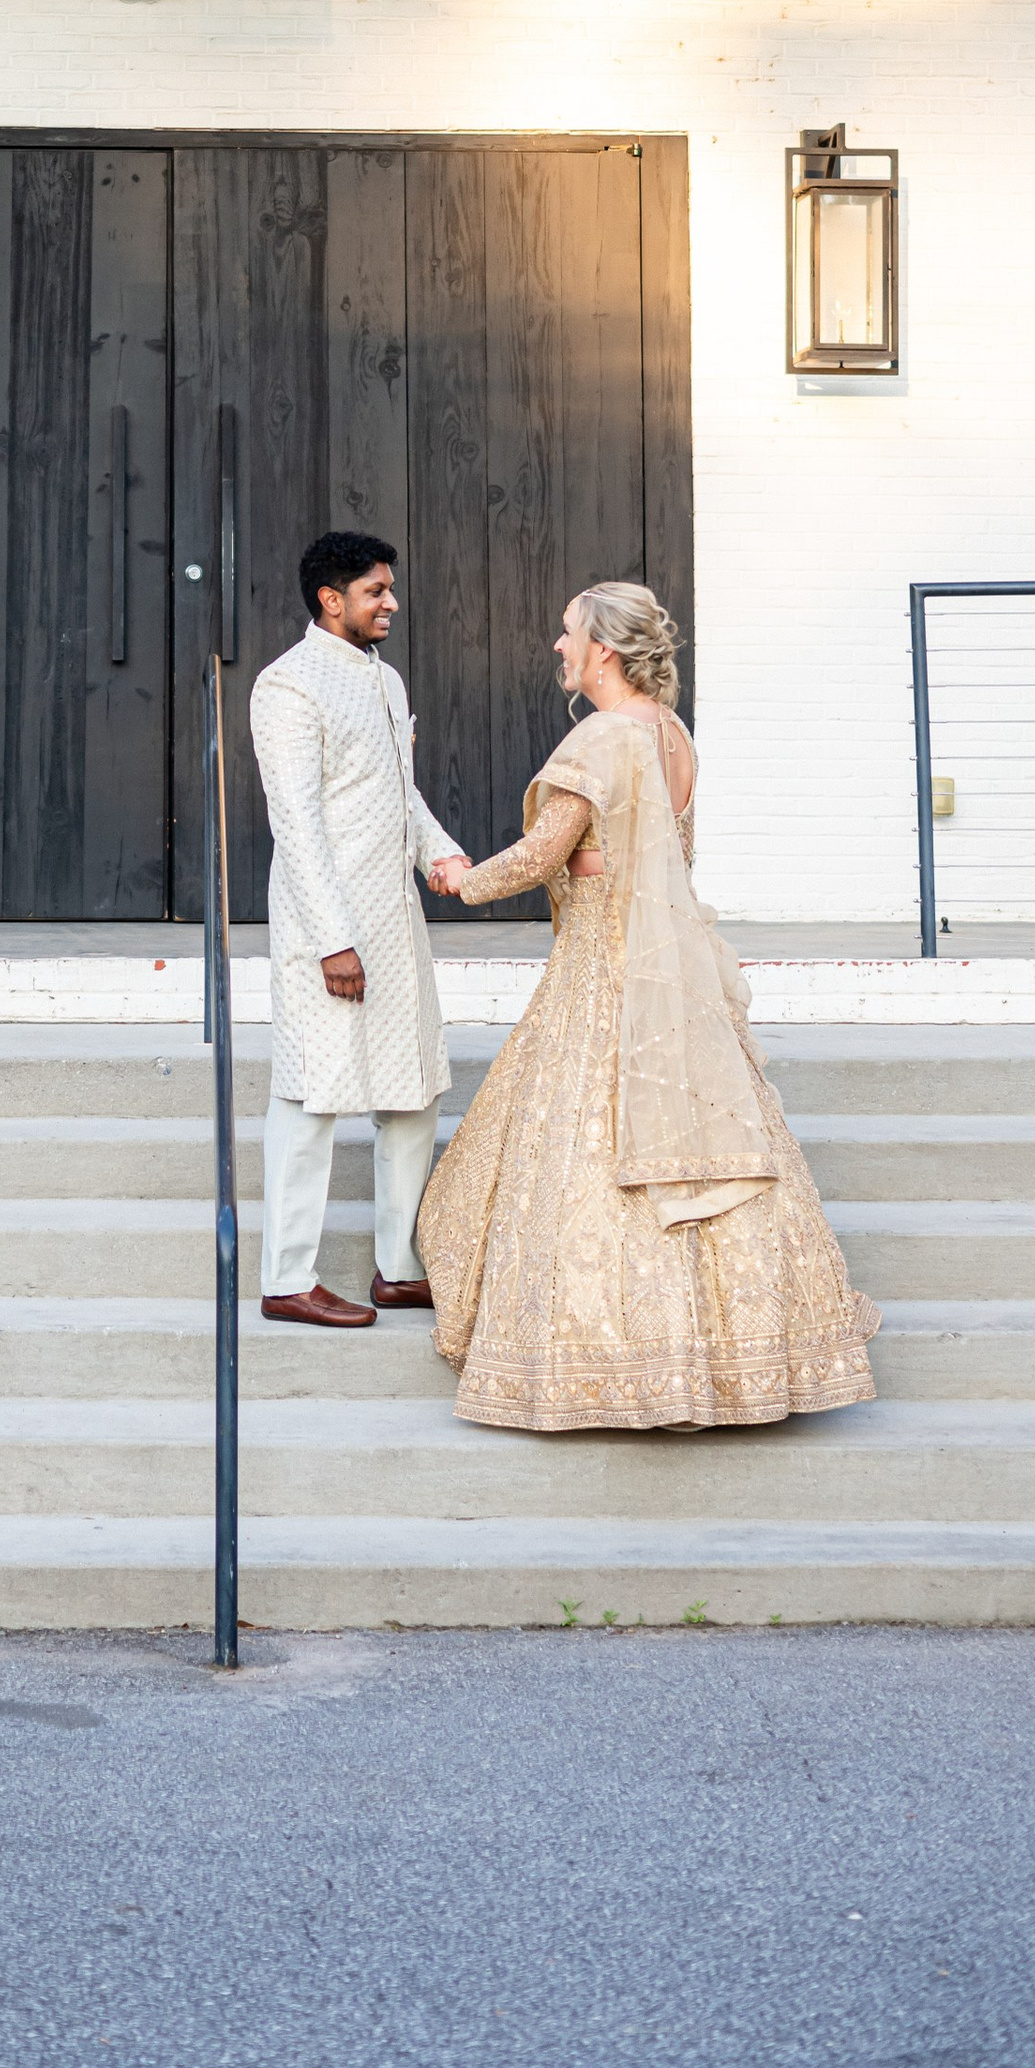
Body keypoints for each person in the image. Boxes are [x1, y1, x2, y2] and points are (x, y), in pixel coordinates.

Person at [417, 579, 878, 1428]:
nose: (558, 647)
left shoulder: (602, 737)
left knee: (585, 1152)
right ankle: (732, 1359)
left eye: (567, 634)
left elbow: (539, 855)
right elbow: (676, 858)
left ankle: (613, 1363)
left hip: (600, 970)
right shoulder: (672, 735)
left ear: (603, 649)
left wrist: (459, 880)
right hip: (670, 981)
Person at [249, 532, 473, 1328]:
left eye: (389, 589)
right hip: (328, 928)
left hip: (395, 918)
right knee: (311, 1094)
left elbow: (398, 794)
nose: (392, 603)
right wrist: (331, 940)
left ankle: (396, 1267)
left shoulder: (385, 678)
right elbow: (297, 823)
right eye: (376, 591)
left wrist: (442, 856)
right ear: (330, 599)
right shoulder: (288, 687)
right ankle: (286, 1279)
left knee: (413, 1092)